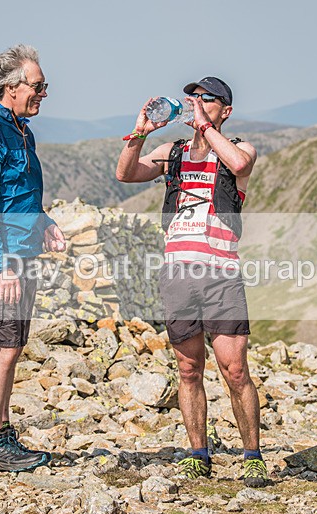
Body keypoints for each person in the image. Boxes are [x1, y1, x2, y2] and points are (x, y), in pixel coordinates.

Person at [115, 77, 270, 487]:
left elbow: (238, 166)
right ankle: (198, 453)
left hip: (221, 274)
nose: (197, 103)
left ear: (226, 110)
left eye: (208, 98)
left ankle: (252, 454)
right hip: (179, 272)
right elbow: (125, 173)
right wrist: (140, 133)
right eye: (194, 98)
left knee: (234, 370)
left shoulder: (240, 149)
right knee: (188, 368)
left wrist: (204, 127)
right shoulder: (174, 153)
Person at [0, 44, 66, 472]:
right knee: (0, 350)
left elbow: (16, 194)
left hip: (20, 253)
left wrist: (43, 220)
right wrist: (0, 264)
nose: (44, 93)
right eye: (38, 86)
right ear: (10, 87)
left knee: (12, 346)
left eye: (45, 85)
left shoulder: (20, 129)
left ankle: (4, 438)